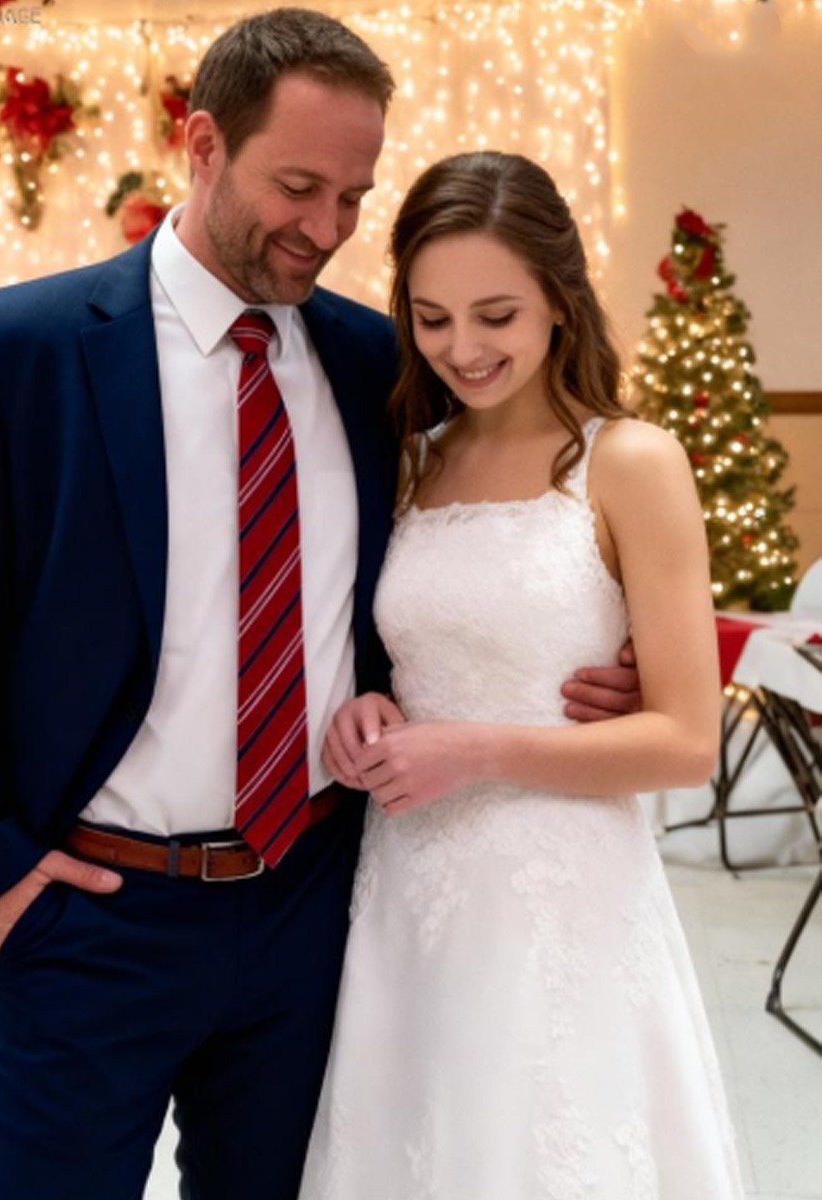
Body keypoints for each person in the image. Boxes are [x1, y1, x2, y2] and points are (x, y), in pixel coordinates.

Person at [0, 12, 638, 1200]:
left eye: (352, 197)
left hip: (310, 915)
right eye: (297, 186)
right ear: (203, 144)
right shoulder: (11, 351)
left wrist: (584, 665)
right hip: (89, 918)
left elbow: (474, 553)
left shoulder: (379, 365)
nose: (325, 228)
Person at [299, 151, 744, 1199]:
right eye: (432, 318)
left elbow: (688, 742)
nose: (463, 348)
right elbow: (405, 651)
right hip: (410, 887)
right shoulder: (408, 461)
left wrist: (475, 750)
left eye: (495, 315)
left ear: (558, 297)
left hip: (564, 893)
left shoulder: (630, 462)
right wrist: (372, 708)